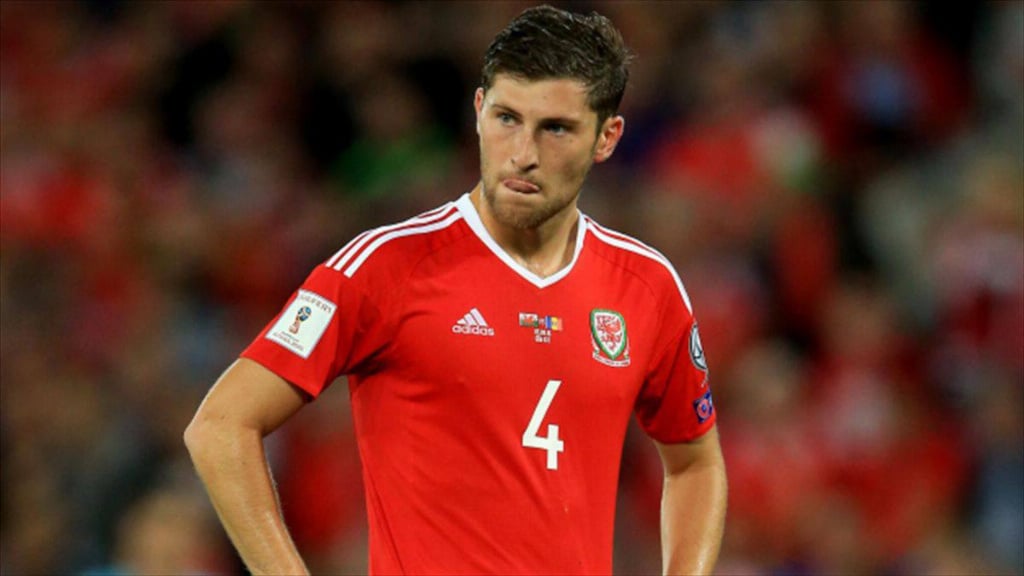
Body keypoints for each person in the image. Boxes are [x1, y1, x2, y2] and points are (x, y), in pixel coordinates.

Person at [185, 5, 727, 575]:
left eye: (556, 129)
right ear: (477, 110)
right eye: (506, 118)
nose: (522, 154)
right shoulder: (385, 267)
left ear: (606, 137)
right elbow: (221, 427)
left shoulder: (647, 286)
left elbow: (696, 463)